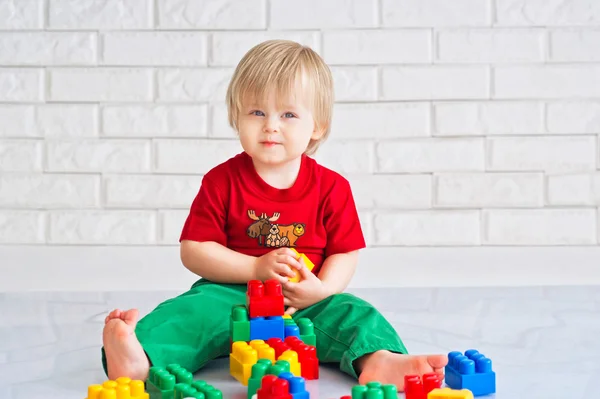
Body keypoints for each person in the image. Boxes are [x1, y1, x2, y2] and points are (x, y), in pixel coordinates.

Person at [101, 39, 447, 391]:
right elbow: (195, 249)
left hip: (303, 302)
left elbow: (345, 251)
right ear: (237, 117)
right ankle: (139, 358)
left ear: (318, 126)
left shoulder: (332, 188)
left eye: (289, 115)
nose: (271, 126)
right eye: (257, 112)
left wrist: (322, 289)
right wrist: (254, 268)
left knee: (354, 313)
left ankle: (379, 361)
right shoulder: (222, 181)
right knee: (192, 312)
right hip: (232, 294)